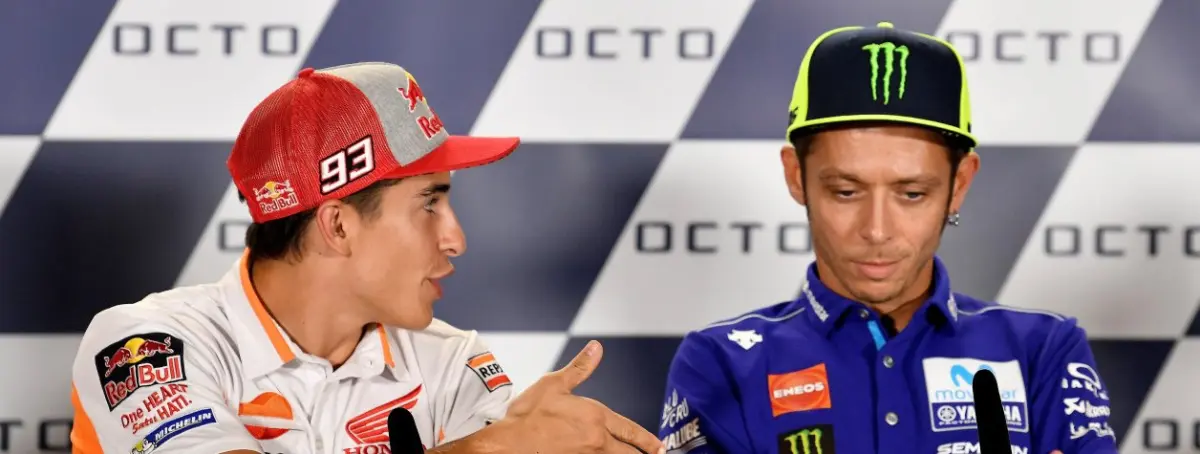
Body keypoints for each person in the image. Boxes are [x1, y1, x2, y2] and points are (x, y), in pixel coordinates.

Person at [70, 62, 664, 454]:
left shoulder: (450, 359)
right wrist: (492, 447)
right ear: (337, 225)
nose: (456, 238)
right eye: (429, 203)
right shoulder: (145, 344)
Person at [656, 22, 1118, 454]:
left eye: (912, 194)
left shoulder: (1043, 349)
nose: (877, 230)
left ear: (959, 184)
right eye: (846, 191)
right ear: (797, 176)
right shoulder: (721, 361)